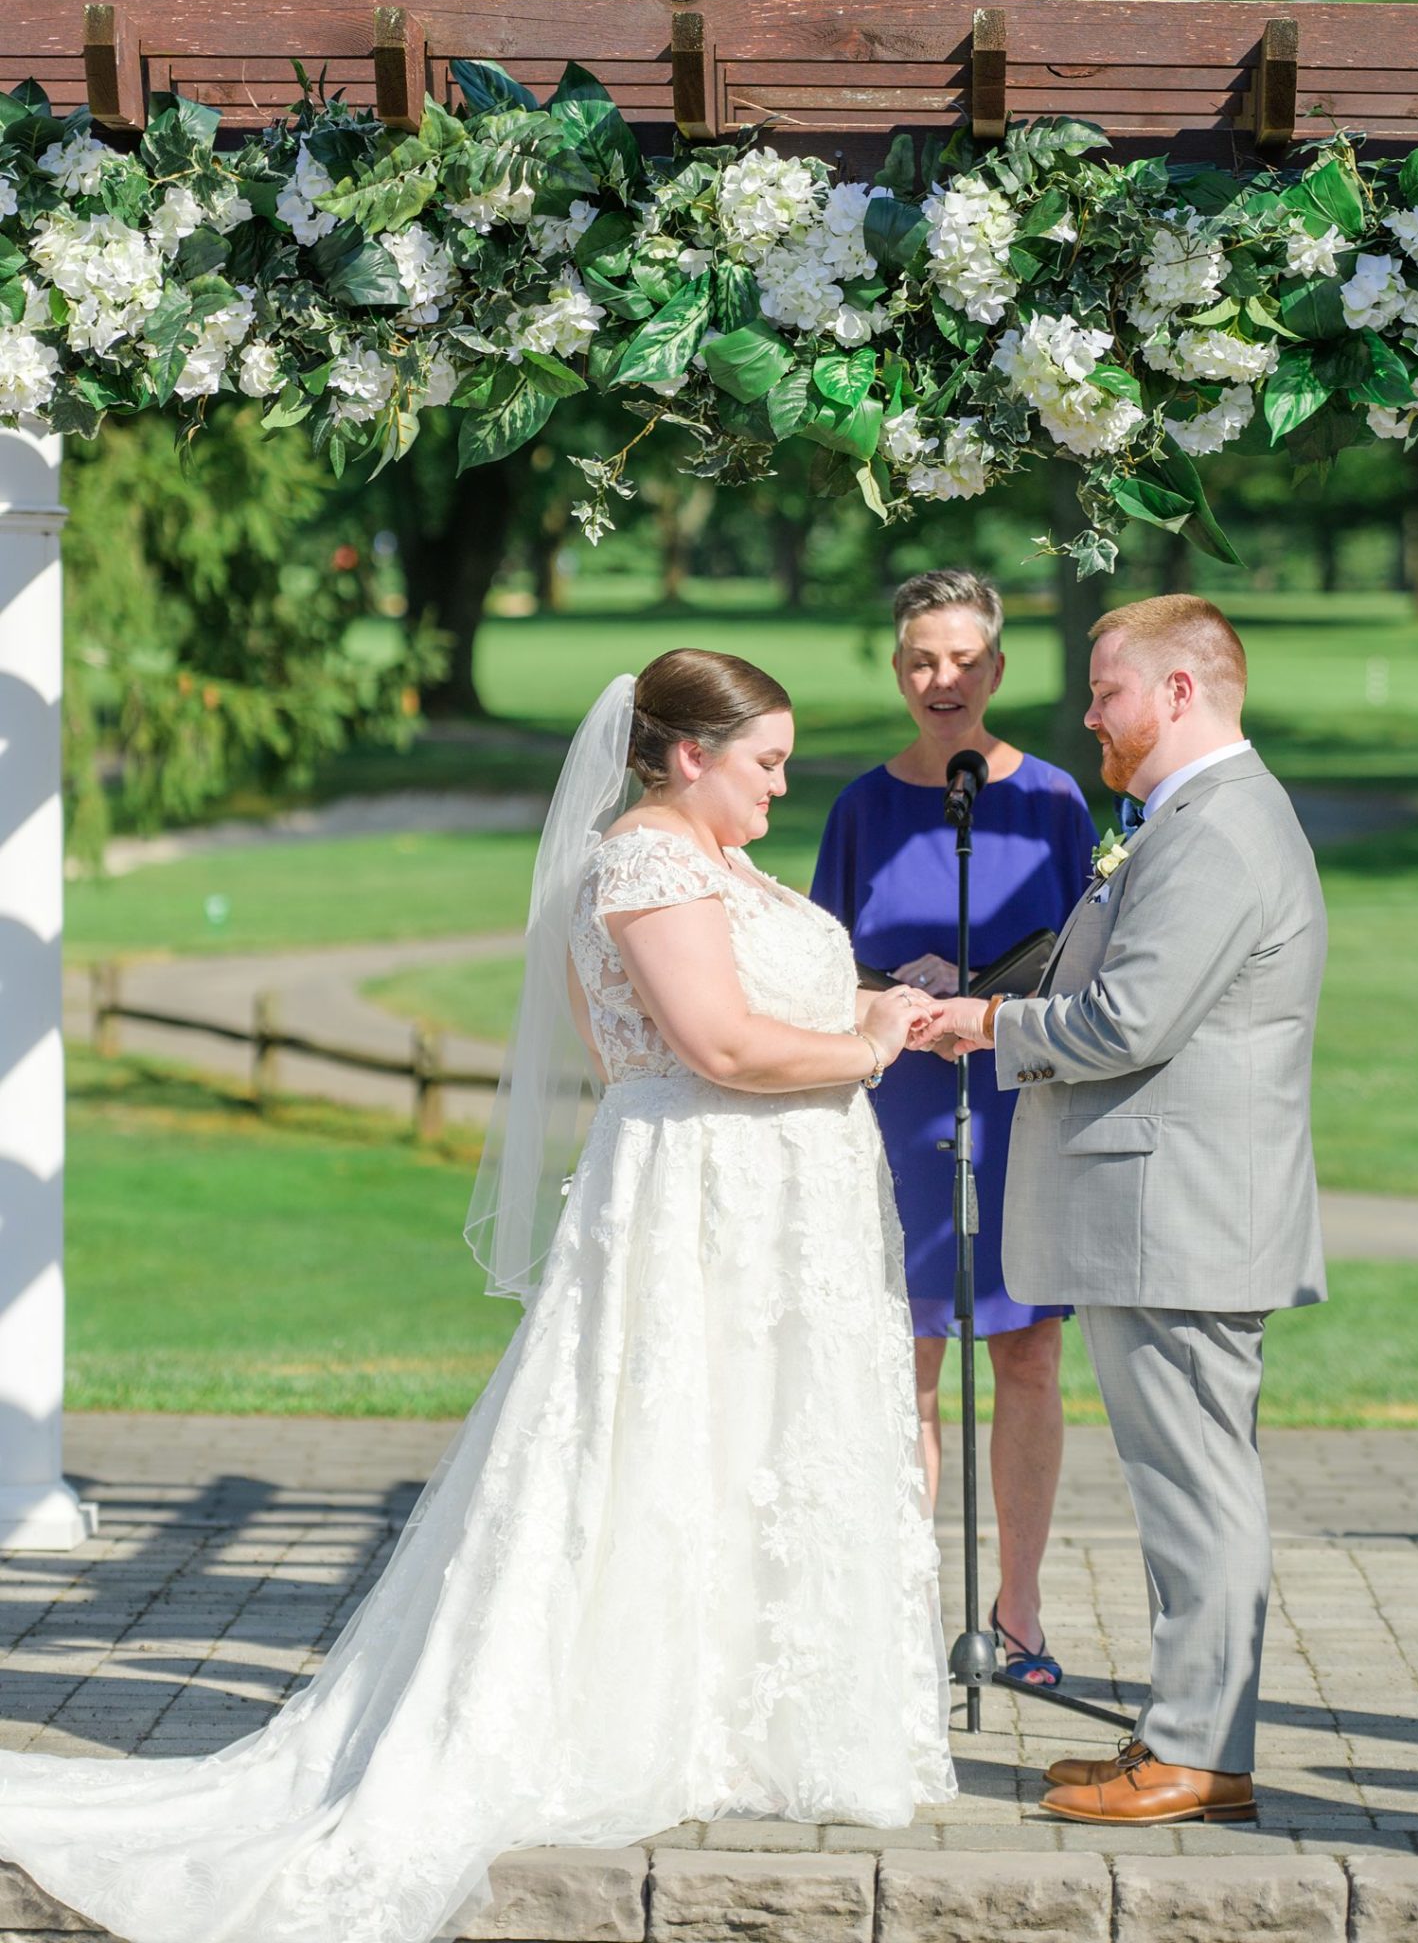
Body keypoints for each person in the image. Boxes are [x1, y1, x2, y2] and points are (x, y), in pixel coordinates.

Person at [0, 652, 954, 1943]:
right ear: (687, 755)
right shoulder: (647, 865)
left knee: (752, 1446)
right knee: (657, 1446)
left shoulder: (719, 864)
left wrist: (881, 1003)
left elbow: (757, 1006)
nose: (784, 785)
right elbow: (714, 1046)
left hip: (774, 1205)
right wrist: (871, 1044)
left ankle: (745, 1713)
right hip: (699, 1200)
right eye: (766, 761)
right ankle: (633, 1713)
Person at [916, 593, 1327, 1828]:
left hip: (1183, 1214)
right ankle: (1186, 1735)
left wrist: (986, 1023)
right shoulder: (1186, 817)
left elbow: (1127, 1021)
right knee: (1184, 1486)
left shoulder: (1219, 829)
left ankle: (1200, 1754)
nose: (1087, 712)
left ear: (1183, 691)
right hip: (1167, 1212)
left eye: (1106, 690)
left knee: (1199, 1490)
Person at [811, 570, 1096, 1691]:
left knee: (1027, 1351)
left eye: (963, 659)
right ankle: (894, 1617)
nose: (943, 680)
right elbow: (818, 964)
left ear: (998, 669)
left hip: (1022, 1101)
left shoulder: (1057, 800)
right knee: (904, 1363)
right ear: (896, 668)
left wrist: (995, 1009)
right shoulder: (859, 808)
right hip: (897, 1101)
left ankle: (1018, 1615)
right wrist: (896, 1003)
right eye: (922, 659)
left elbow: (1091, 958)